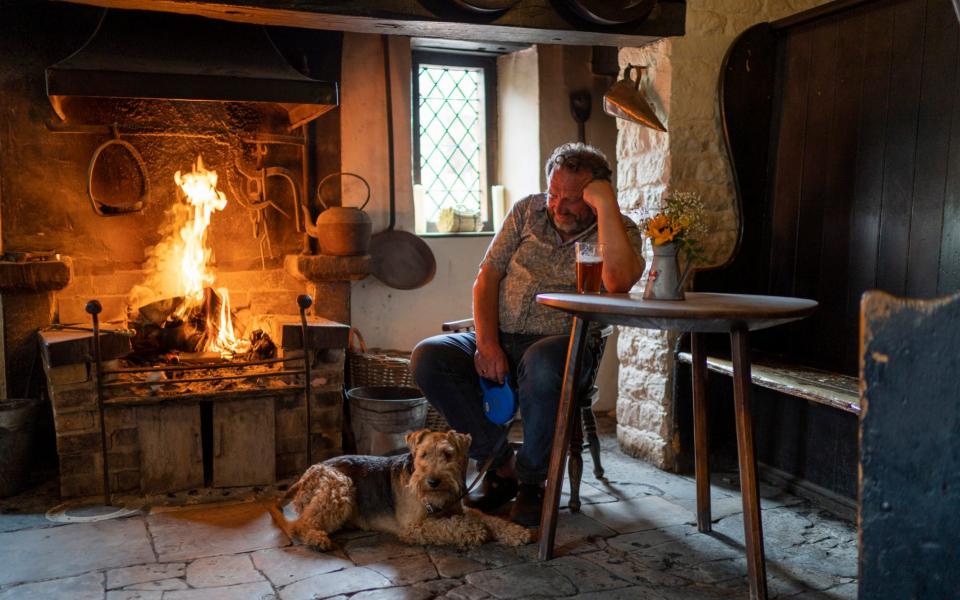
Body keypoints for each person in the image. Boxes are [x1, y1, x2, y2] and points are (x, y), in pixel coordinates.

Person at [410, 142, 645, 526]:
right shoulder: (526, 210)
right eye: (553, 194)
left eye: (571, 199)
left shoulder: (617, 228)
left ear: (596, 192)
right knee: (429, 357)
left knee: (542, 363)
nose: (558, 206)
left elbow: (618, 283)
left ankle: (534, 482)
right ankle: (501, 464)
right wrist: (486, 344)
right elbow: (487, 278)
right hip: (501, 337)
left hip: (562, 347)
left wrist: (605, 206)